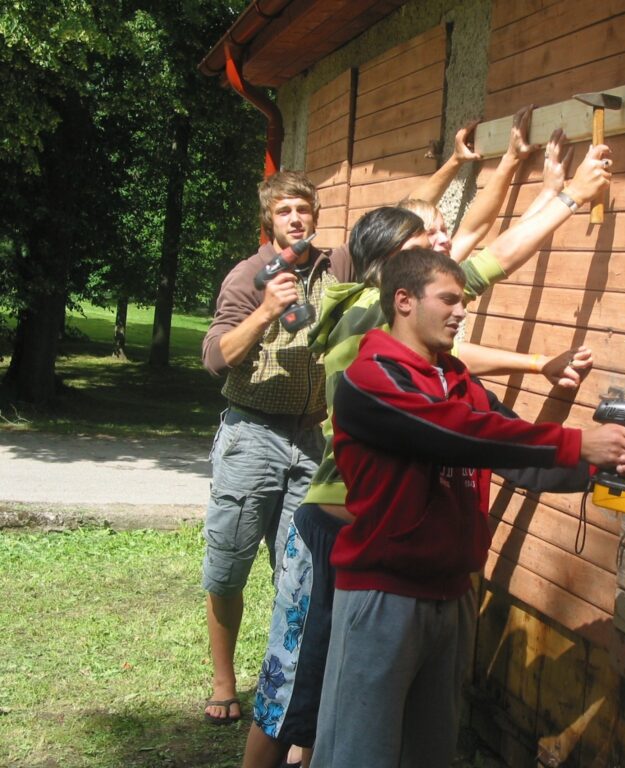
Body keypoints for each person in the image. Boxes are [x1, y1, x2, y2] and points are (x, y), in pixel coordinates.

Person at [242, 133, 613, 767]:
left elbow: (476, 253)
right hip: (340, 534)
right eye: (427, 242)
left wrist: (523, 177)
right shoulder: (363, 317)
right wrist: (569, 198)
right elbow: (489, 258)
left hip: (403, 551)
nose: (444, 245)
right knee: (294, 695)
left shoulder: (424, 345)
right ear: (393, 276)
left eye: (441, 239)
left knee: (351, 710)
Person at [310, 248, 625, 768]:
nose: (460, 312)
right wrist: (577, 442)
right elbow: (451, 434)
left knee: (431, 754)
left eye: (463, 301)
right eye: (448, 299)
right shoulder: (370, 378)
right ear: (403, 301)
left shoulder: (462, 382)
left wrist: (605, 466)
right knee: (358, 755)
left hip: (453, 597)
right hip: (383, 597)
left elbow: (517, 460)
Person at [199, 171, 352, 726]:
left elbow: (403, 220)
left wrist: (455, 165)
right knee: (228, 566)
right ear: (270, 219)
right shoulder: (248, 276)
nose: (296, 219)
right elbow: (216, 357)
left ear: (315, 215)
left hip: (310, 437)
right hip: (252, 435)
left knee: (304, 568)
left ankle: (283, 678)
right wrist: (265, 309)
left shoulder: (334, 267)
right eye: (285, 210)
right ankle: (223, 681)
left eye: (304, 209)